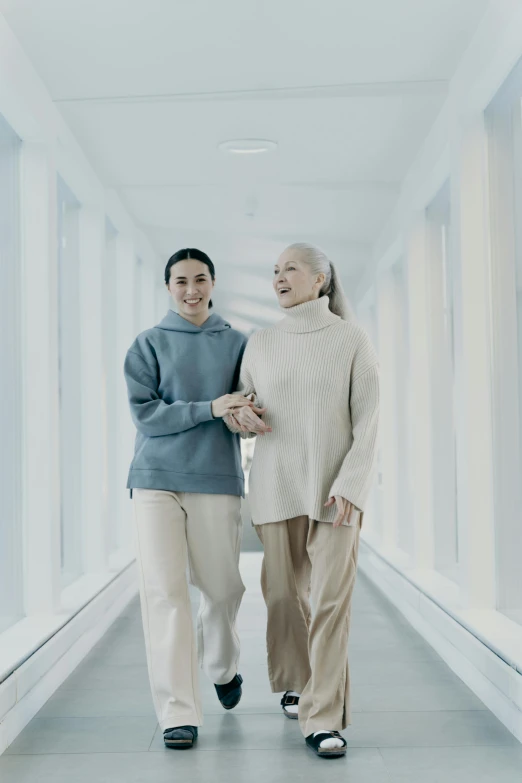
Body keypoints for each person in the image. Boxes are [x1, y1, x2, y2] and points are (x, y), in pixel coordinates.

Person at [226, 242, 380, 759]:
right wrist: (240, 415)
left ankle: (322, 715)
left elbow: (369, 422)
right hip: (276, 484)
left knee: (332, 602)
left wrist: (352, 483)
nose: (278, 277)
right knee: (282, 593)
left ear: (321, 279)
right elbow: (243, 406)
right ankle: (297, 678)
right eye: (274, 270)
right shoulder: (262, 342)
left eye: (290, 267)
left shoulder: (351, 338)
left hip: (338, 491)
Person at [124, 248, 260, 750]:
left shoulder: (238, 344)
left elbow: (248, 401)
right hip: (155, 478)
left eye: (199, 279)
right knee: (165, 594)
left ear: (213, 283)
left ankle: (222, 667)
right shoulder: (147, 344)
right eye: (180, 280)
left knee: (222, 589)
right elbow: (147, 416)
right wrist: (208, 406)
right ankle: (178, 712)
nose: (190, 289)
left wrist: (246, 412)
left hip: (216, 477)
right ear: (167, 287)